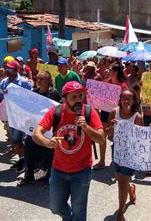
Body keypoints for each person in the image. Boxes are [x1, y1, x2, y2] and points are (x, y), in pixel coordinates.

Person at [33, 81, 104, 220]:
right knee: (56, 207)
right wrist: (47, 142)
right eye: (74, 97)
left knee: (79, 210)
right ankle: (68, 217)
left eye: (81, 96)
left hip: (82, 172)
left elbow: (101, 139)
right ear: (65, 99)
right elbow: (36, 134)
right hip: (59, 170)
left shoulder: (90, 112)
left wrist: (86, 127)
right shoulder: (56, 112)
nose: (79, 100)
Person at [18, 71, 61, 186]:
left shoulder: (54, 93)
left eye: (42, 79)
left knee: (50, 152)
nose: (39, 81)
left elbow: (60, 107)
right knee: (28, 150)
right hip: (34, 129)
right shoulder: (34, 93)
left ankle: (49, 176)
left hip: (49, 129)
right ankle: (29, 176)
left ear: (48, 81)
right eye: (38, 78)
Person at [106, 89, 143, 221]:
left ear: (134, 101)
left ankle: (120, 212)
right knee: (119, 177)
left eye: (129, 98)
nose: (126, 101)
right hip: (116, 149)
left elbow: (141, 139)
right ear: (120, 99)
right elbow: (107, 132)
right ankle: (131, 188)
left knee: (121, 182)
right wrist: (111, 127)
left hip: (131, 153)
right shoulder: (114, 112)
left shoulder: (137, 117)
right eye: (124, 98)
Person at [0, 60, 32, 172]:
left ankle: (26, 162)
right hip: (10, 115)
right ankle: (22, 160)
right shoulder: (3, 82)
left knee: (17, 140)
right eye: (7, 68)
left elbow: (31, 98)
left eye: (11, 69)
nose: (8, 71)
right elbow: (0, 97)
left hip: (21, 116)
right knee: (14, 140)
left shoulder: (24, 83)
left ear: (16, 70)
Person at [94, 65, 128, 170]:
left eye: (111, 70)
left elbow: (126, 100)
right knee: (102, 135)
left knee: (118, 137)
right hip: (105, 111)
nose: (108, 71)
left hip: (118, 113)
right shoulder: (106, 83)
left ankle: (120, 161)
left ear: (116, 72)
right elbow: (98, 97)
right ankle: (102, 160)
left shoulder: (123, 86)